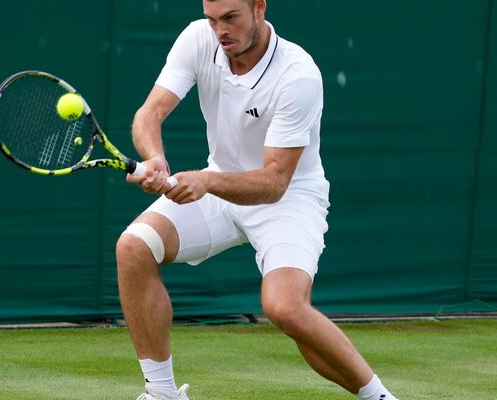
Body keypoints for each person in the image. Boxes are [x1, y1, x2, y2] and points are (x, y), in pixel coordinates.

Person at [116, 0, 399, 399]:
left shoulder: (298, 74)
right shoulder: (198, 39)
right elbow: (149, 114)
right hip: (217, 186)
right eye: (213, 19)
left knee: (285, 308)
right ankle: (162, 393)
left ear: (259, 7)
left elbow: (274, 182)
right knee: (134, 247)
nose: (220, 31)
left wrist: (207, 182)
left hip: (288, 200)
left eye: (231, 18)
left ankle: (380, 397)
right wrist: (156, 159)